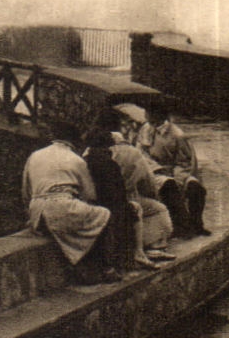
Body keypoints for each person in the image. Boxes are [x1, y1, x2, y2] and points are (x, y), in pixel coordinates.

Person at [22, 120, 118, 284]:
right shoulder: (76, 159)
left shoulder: (35, 155)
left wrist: (31, 213)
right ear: (73, 141)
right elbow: (90, 195)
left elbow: (26, 190)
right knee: (104, 214)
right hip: (62, 207)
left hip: (37, 212)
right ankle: (104, 268)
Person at [99, 107, 175, 264]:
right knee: (158, 209)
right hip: (127, 197)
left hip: (101, 198)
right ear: (121, 128)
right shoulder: (130, 152)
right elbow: (148, 183)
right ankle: (154, 245)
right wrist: (154, 195)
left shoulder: (93, 148)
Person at [82, 127, 152, 274]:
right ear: (108, 146)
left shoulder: (85, 160)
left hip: (92, 204)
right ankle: (137, 254)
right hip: (112, 207)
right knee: (134, 209)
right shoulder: (109, 163)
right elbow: (118, 193)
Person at [137, 100, 207, 237]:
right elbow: (141, 153)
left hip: (175, 170)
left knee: (196, 188)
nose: (146, 115)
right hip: (154, 170)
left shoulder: (177, 135)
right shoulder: (145, 129)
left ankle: (197, 224)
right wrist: (156, 168)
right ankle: (181, 225)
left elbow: (184, 162)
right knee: (168, 186)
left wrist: (179, 180)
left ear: (160, 114)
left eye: (150, 112)